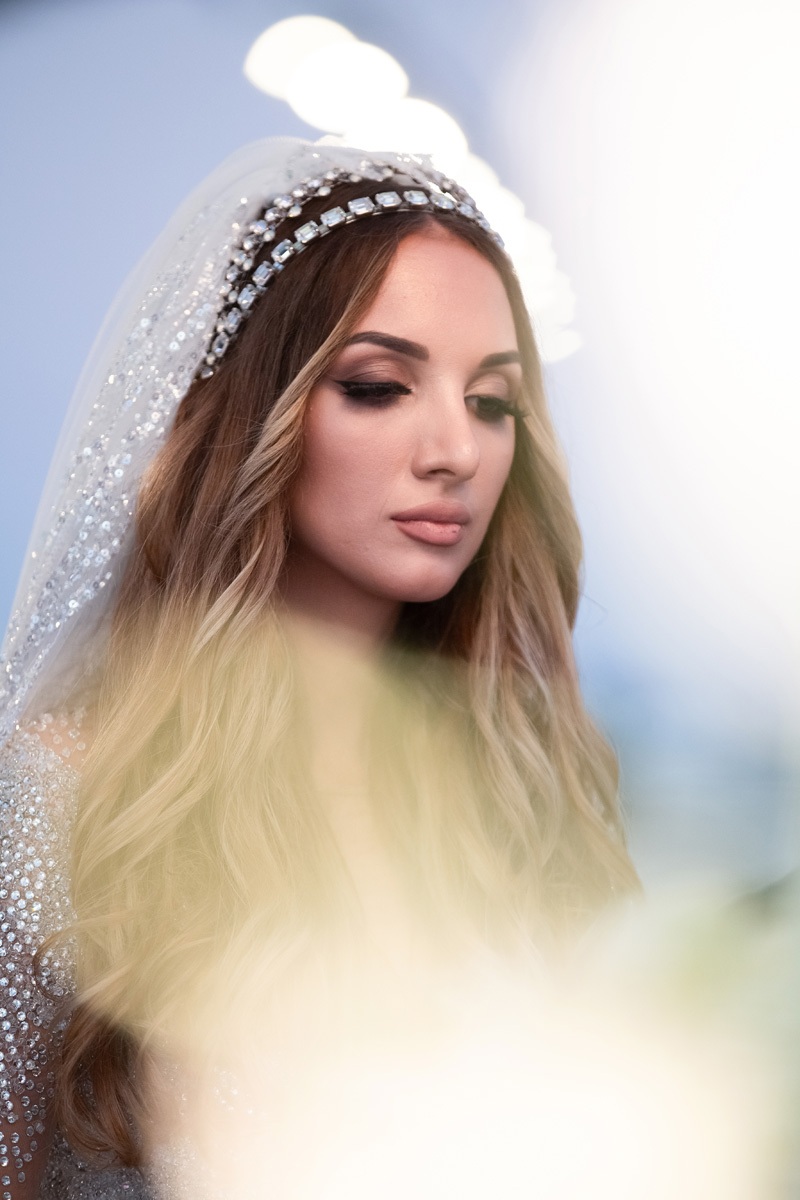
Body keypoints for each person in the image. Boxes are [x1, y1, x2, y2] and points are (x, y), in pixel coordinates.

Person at [0, 138, 639, 1198]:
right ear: (260, 411)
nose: (456, 451)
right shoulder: (64, 802)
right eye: (379, 386)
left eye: (492, 402)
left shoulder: (525, 791)